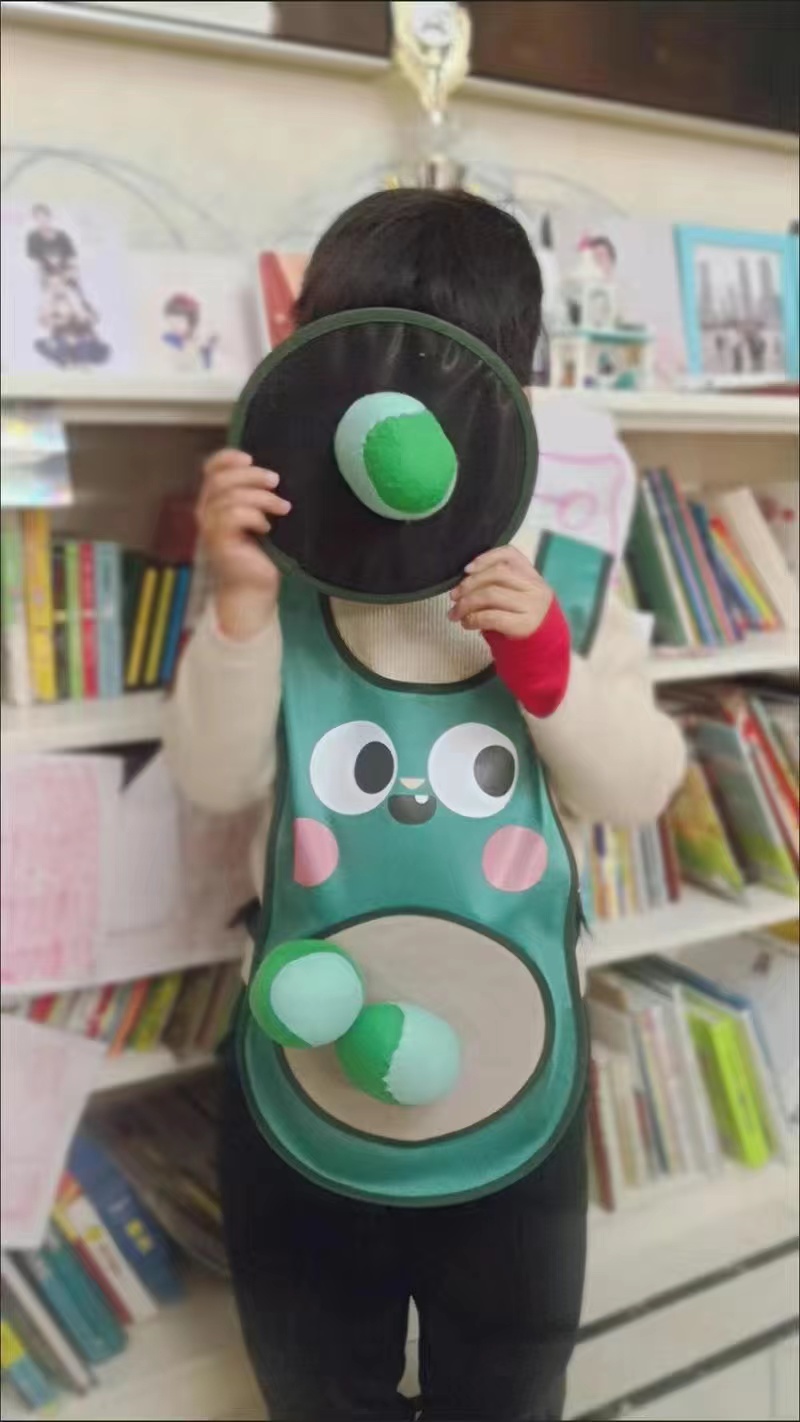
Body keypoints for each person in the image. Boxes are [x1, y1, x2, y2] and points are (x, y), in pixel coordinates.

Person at [163, 189, 685, 1422]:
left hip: (517, 1074)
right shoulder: (272, 587)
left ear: (511, 392)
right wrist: (237, 606)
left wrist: (547, 666)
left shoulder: (561, 581)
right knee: (317, 1384)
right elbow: (211, 781)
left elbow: (638, 788)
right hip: (302, 1069)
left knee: (504, 1385)